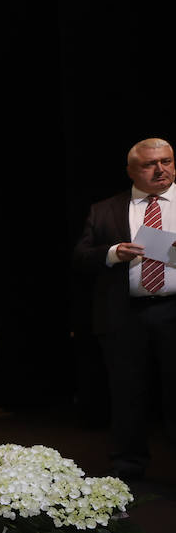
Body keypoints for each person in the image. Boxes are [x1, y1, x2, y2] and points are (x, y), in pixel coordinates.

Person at [72, 138, 176, 480]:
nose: (160, 169)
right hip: (124, 316)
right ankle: (128, 467)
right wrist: (114, 252)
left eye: (166, 161)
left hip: (173, 311)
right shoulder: (104, 209)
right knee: (127, 394)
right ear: (132, 170)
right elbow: (81, 257)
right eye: (150, 164)